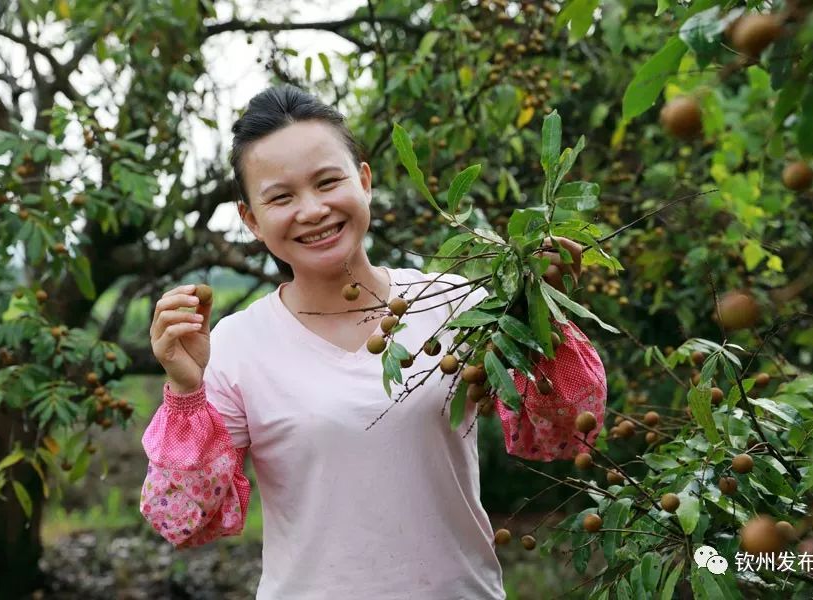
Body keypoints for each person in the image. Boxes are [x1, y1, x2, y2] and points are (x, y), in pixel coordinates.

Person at [141, 84, 607, 599]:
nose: (313, 210)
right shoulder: (235, 345)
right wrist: (186, 392)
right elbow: (183, 522)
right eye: (281, 197)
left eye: (328, 181)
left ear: (364, 181)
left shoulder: (455, 304)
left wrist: (541, 318)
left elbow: (564, 434)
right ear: (251, 219)